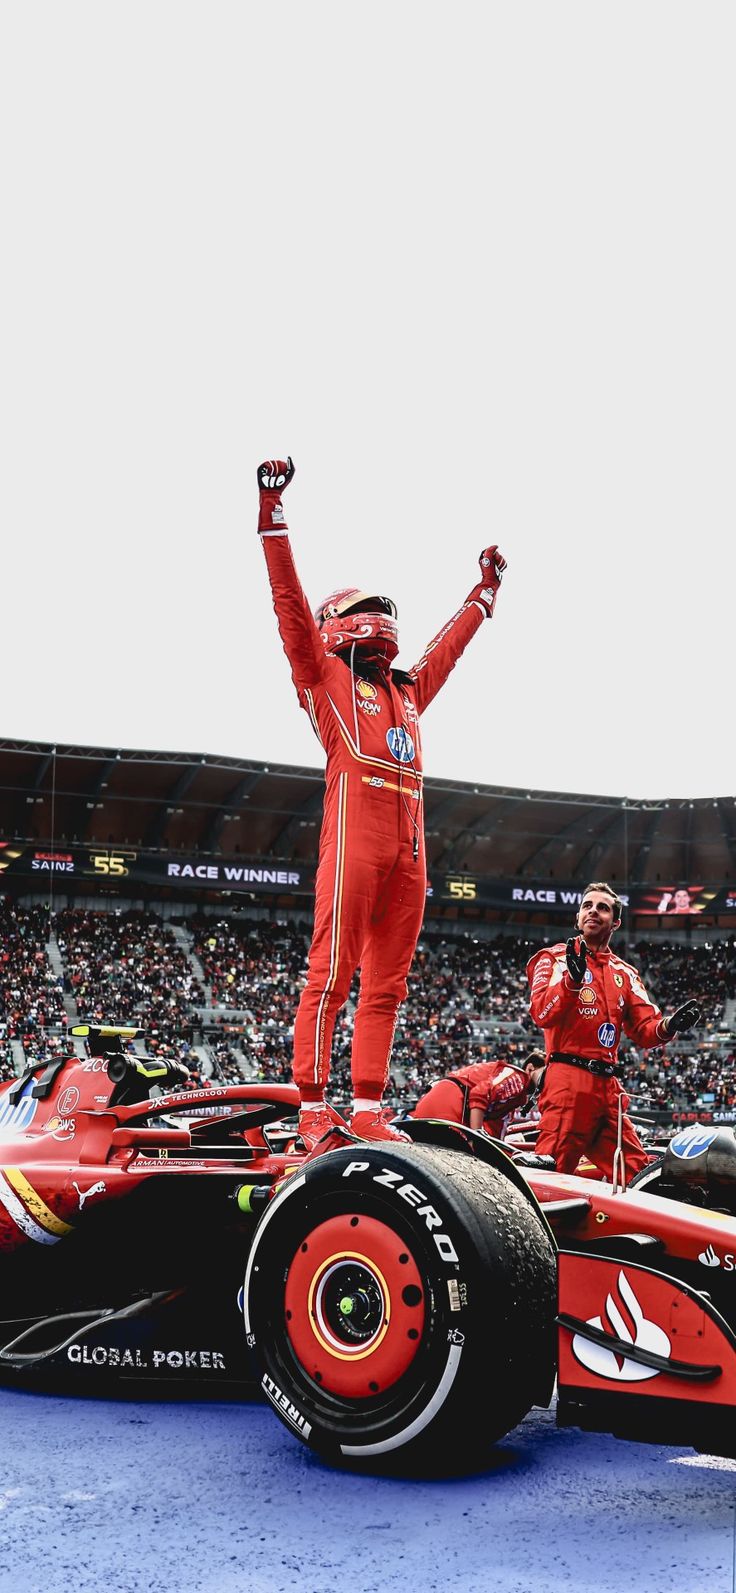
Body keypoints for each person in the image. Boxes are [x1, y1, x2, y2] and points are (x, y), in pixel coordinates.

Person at [257, 457, 507, 1147]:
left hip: (411, 858)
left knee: (386, 987)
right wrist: (272, 515)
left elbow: (446, 651)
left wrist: (482, 596)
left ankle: (366, 1105)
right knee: (332, 972)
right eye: (366, 610)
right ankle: (313, 1105)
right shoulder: (324, 678)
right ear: (338, 623)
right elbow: (286, 607)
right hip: (355, 846)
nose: (380, 619)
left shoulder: (406, 692)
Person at [527, 881, 701, 1181]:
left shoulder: (626, 973)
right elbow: (541, 1013)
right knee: (552, 1172)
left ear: (615, 922)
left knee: (638, 1173)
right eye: (587, 906)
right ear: (578, 918)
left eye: (603, 908)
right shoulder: (553, 958)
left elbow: (647, 1030)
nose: (593, 911)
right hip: (568, 1081)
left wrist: (670, 1025)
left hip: (608, 1088)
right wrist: (572, 981)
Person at [412, 1051, 546, 1136]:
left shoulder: (515, 1096)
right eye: (545, 1073)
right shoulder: (517, 1077)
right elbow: (479, 1094)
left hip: (444, 1101)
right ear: (530, 1068)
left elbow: (495, 1131)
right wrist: (476, 1134)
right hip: (449, 1102)